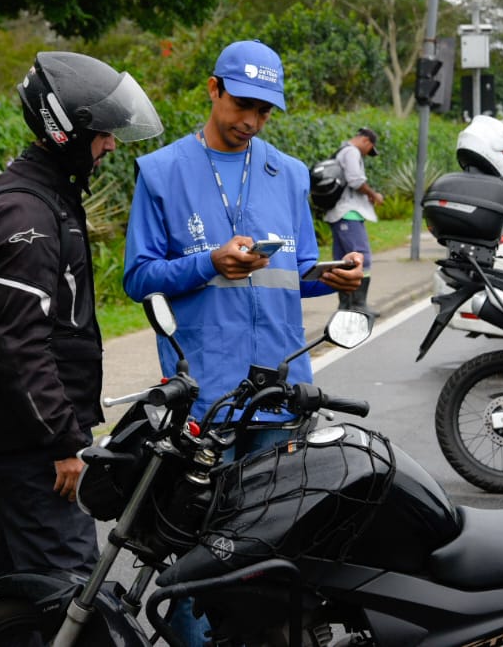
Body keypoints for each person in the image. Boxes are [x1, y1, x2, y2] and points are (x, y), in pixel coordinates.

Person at [123, 39, 362, 645]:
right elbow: (138, 277)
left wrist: (330, 276)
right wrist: (208, 262)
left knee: (273, 544)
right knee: (196, 545)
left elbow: (294, 272)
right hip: (205, 395)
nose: (252, 122)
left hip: (281, 391)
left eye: (264, 111)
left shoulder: (289, 173)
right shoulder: (162, 172)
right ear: (213, 89)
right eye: (242, 106)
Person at [0, 52, 162, 614]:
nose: (111, 145)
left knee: (12, 579)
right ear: (67, 131)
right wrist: (63, 442)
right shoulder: (26, 213)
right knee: (72, 591)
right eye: (102, 134)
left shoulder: (46, 195)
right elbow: (21, 344)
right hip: (30, 438)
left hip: (22, 428)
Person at [322, 127, 384, 317]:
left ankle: (345, 306)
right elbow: (356, 180)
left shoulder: (342, 151)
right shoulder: (351, 152)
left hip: (339, 214)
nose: (366, 155)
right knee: (361, 257)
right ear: (366, 141)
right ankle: (359, 304)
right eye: (369, 149)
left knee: (343, 261)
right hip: (348, 214)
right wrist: (374, 195)